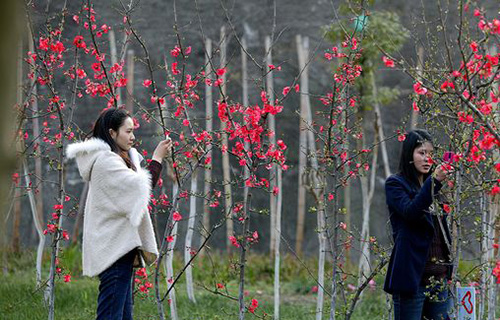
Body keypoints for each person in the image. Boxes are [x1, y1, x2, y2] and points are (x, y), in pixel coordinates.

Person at [66, 108, 172, 320]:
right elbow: (139, 188)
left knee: (123, 315)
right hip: (114, 249)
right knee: (111, 315)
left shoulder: (116, 159)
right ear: (112, 133)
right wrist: (157, 158)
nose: (133, 137)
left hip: (120, 247)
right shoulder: (107, 162)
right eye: (128, 131)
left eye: (133, 131)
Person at [384, 129, 454, 320]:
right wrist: (434, 182)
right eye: (421, 153)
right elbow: (411, 212)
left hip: (439, 280)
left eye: (430, 154)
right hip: (412, 281)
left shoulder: (436, 189)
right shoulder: (395, 184)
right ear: (409, 154)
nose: (426, 159)